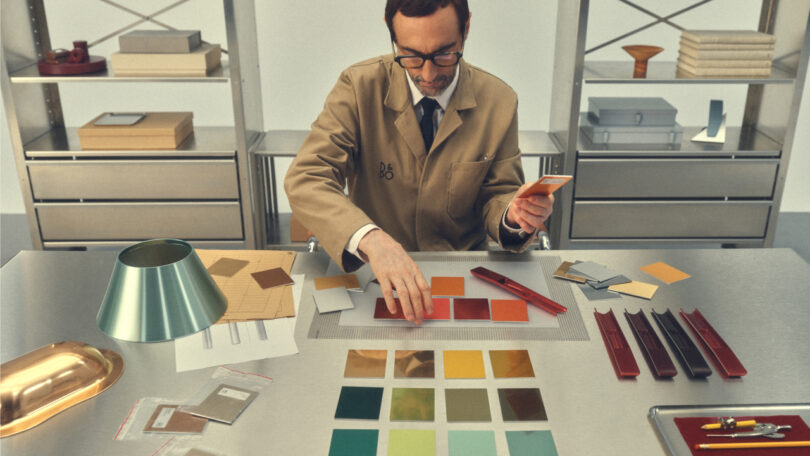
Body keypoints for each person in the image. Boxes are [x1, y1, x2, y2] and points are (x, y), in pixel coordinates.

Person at [284, 0, 552, 324]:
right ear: (390, 31)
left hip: (462, 275)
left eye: (443, 54)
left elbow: (497, 196)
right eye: (410, 54)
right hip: (374, 277)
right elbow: (306, 178)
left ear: (466, 28)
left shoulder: (500, 100)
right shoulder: (358, 88)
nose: (428, 73)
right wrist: (371, 239)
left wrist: (514, 215)